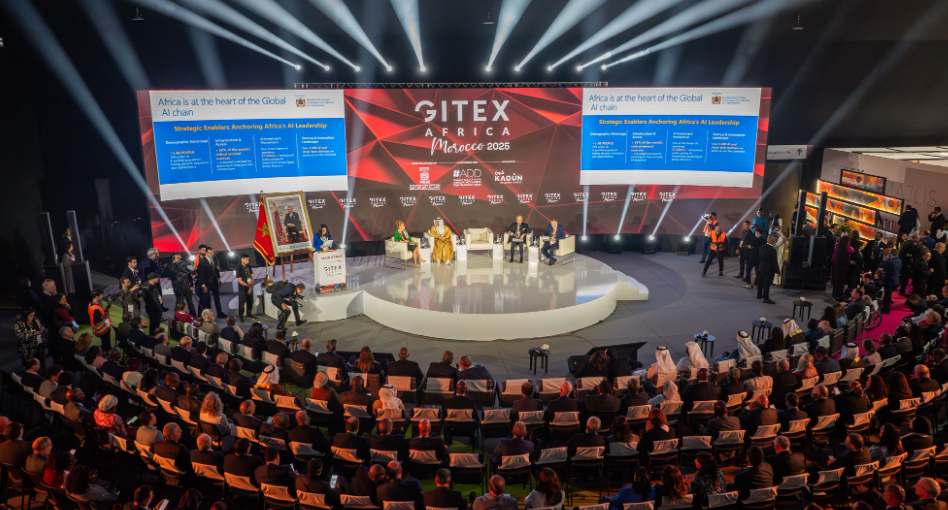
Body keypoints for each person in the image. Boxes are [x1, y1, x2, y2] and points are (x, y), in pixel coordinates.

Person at [198, 246, 225, 318]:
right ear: (206, 253)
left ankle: (219, 313)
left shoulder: (214, 259)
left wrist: (219, 279)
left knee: (217, 298)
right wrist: (203, 285)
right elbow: (201, 275)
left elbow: (216, 270)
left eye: (212, 253)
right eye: (210, 253)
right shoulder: (202, 262)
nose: (212, 254)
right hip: (206, 283)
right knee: (203, 299)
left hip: (214, 282)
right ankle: (199, 315)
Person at [169, 252, 197, 318]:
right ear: (173, 259)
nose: (179, 259)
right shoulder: (170, 266)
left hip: (186, 285)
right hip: (178, 287)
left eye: (179, 257)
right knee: (179, 302)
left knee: (190, 302)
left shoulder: (184, 264)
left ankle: (193, 316)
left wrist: (191, 285)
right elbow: (171, 276)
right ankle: (178, 316)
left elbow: (189, 275)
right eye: (177, 258)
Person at [756, 235, 781, 303]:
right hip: (769, 269)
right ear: (773, 242)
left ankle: (759, 294)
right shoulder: (772, 250)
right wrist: (777, 271)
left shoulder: (761, 247)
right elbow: (774, 261)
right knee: (767, 283)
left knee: (761, 281)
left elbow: (759, 258)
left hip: (761, 267)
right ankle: (766, 298)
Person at [235, 253, 255, 322]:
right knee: (242, 302)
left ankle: (249, 314)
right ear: (242, 259)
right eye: (246, 260)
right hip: (243, 288)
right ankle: (241, 316)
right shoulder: (239, 268)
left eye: (248, 260)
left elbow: (252, 276)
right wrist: (248, 286)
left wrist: (251, 286)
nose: (247, 261)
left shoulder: (249, 266)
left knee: (250, 301)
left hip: (250, 286)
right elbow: (240, 280)